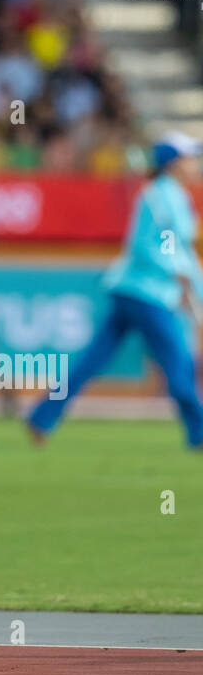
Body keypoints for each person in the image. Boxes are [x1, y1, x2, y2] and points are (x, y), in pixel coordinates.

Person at [27, 132, 203, 447]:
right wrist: (180, 274)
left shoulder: (169, 195)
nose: (194, 163)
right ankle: (199, 431)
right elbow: (150, 247)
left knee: (93, 360)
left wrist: (191, 282)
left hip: (133, 291)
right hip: (147, 295)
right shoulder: (162, 196)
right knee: (178, 362)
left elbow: (179, 253)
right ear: (174, 163)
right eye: (189, 157)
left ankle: (42, 417)